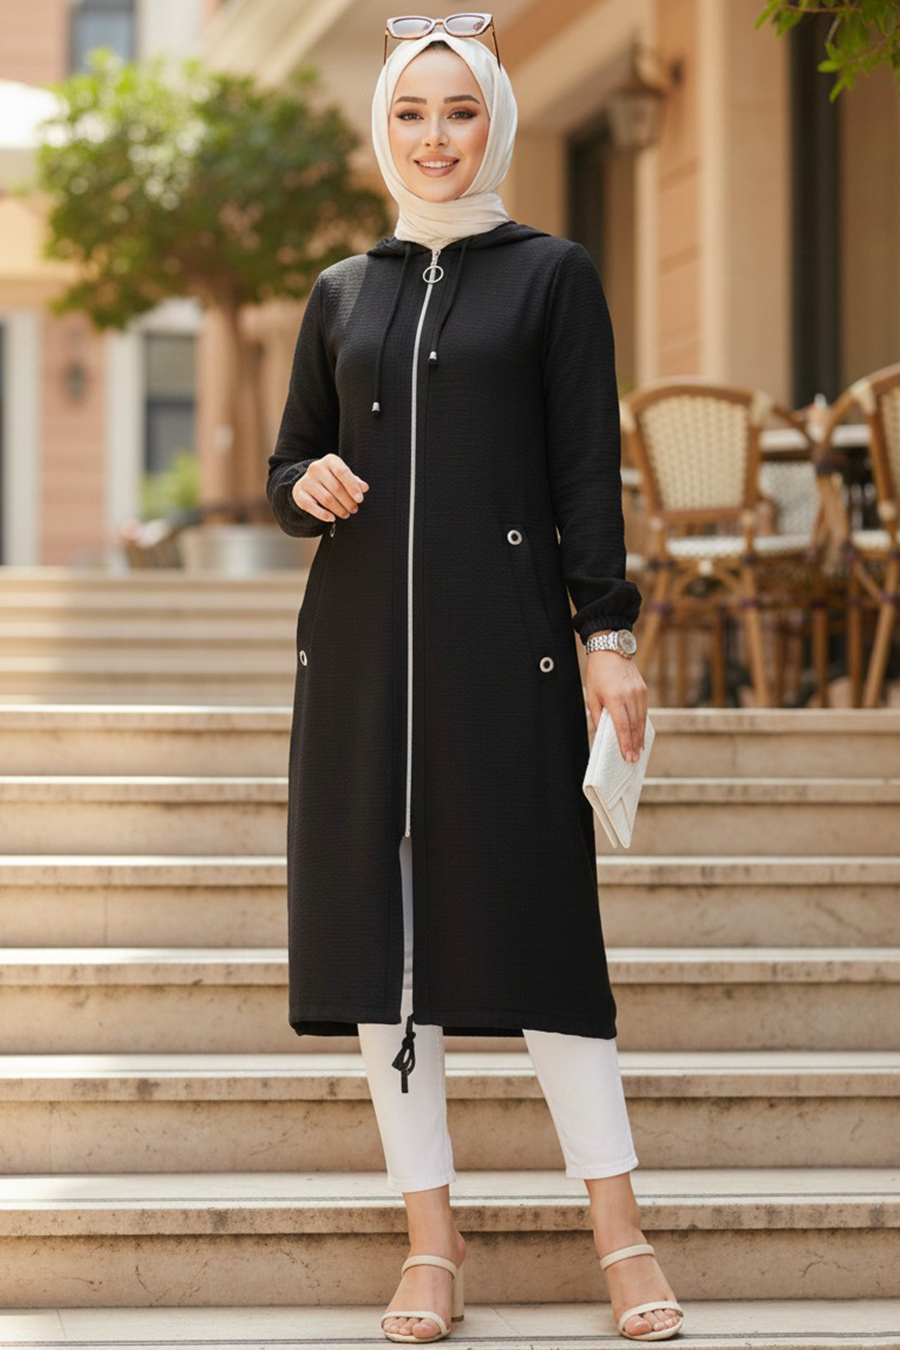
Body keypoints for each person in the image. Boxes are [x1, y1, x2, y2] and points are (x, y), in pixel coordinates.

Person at [267, 14, 683, 1346]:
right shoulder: (343, 291)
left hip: (507, 653)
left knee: (547, 934)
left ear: (495, 119)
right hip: (361, 664)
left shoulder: (551, 276)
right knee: (388, 956)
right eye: (411, 112)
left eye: (458, 110)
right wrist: (306, 484)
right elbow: (288, 461)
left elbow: (584, 472)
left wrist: (607, 636)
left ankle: (620, 1231)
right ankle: (430, 1244)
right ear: (382, 128)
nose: (435, 136)